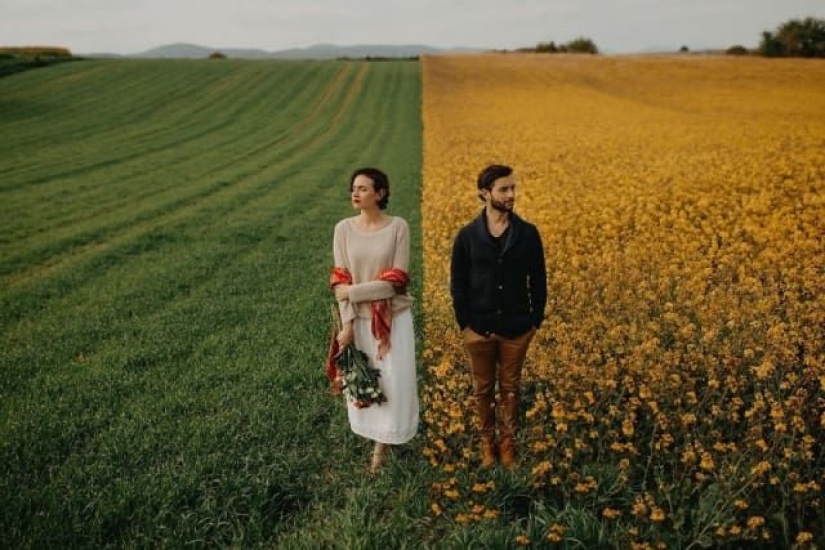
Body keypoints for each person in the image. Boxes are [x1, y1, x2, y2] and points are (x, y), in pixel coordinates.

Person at [450, 164, 547, 469]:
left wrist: (534, 321)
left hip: (517, 328)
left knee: (510, 389)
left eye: (512, 188)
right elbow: (458, 284)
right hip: (478, 328)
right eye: (504, 189)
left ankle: (507, 446)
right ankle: (486, 446)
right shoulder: (466, 236)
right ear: (484, 193)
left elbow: (539, 281)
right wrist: (465, 325)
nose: (511, 194)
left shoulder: (528, 234)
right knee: (482, 390)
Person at [330, 167, 419, 472]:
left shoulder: (398, 228)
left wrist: (352, 292)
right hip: (359, 320)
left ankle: (385, 443)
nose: (355, 193)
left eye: (363, 189)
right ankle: (373, 434)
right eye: (353, 188)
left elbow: (395, 281)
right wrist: (347, 326)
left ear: (380, 194)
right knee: (363, 379)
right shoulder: (343, 229)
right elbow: (339, 280)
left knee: (393, 378)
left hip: (392, 319)